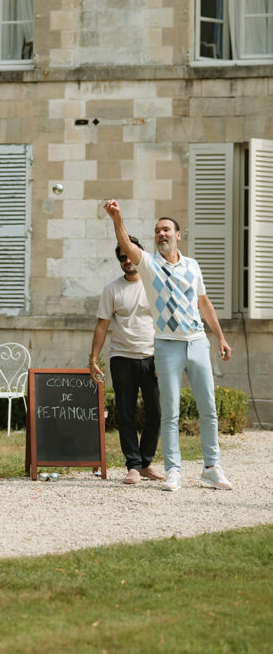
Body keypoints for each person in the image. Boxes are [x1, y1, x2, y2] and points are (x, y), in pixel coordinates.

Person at [103, 199, 233, 492]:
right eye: (157, 231)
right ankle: (173, 470)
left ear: (178, 235)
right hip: (166, 345)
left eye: (166, 230)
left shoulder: (193, 266)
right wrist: (117, 219)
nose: (161, 234)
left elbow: (204, 303)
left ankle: (212, 467)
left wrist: (221, 338)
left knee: (208, 408)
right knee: (170, 411)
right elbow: (126, 244)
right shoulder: (148, 265)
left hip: (197, 341)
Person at [89, 237, 165, 485]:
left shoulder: (156, 284)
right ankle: (133, 465)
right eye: (122, 257)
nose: (127, 261)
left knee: (156, 411)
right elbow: (102, 326)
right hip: (121, 357)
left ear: (140, 254)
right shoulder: (112, 289)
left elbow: (167, 322)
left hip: (153, 356)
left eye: (130, 255)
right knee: (125, 413)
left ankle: (146, 463)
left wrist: (165, 357)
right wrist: (93, 359)